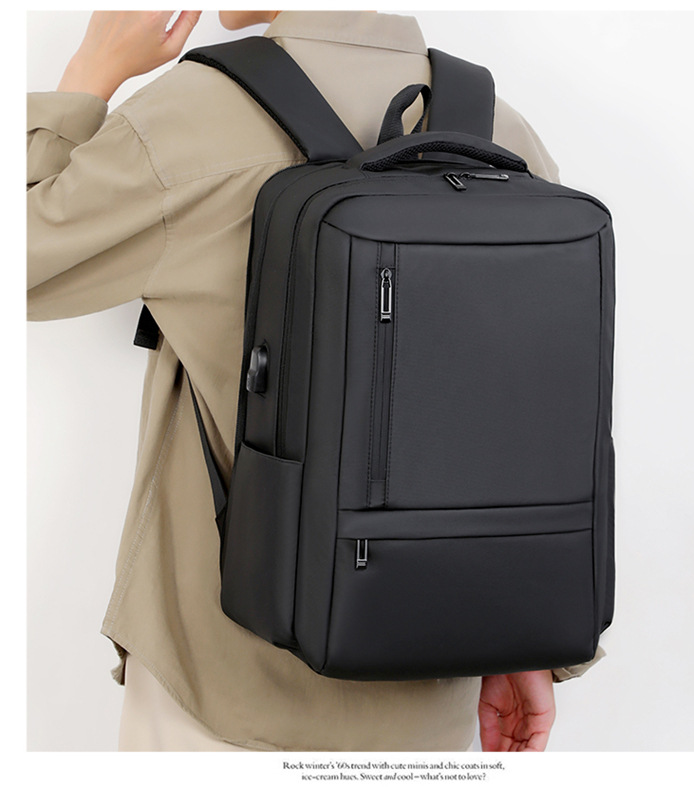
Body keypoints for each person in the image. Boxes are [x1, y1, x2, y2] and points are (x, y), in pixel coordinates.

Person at [27, 10, 604, 752]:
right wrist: (522, 641)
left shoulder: (190, 119)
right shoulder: (501, 133)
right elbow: (533, 414)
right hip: (439, 691)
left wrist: (90, 72)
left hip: (226, 700)